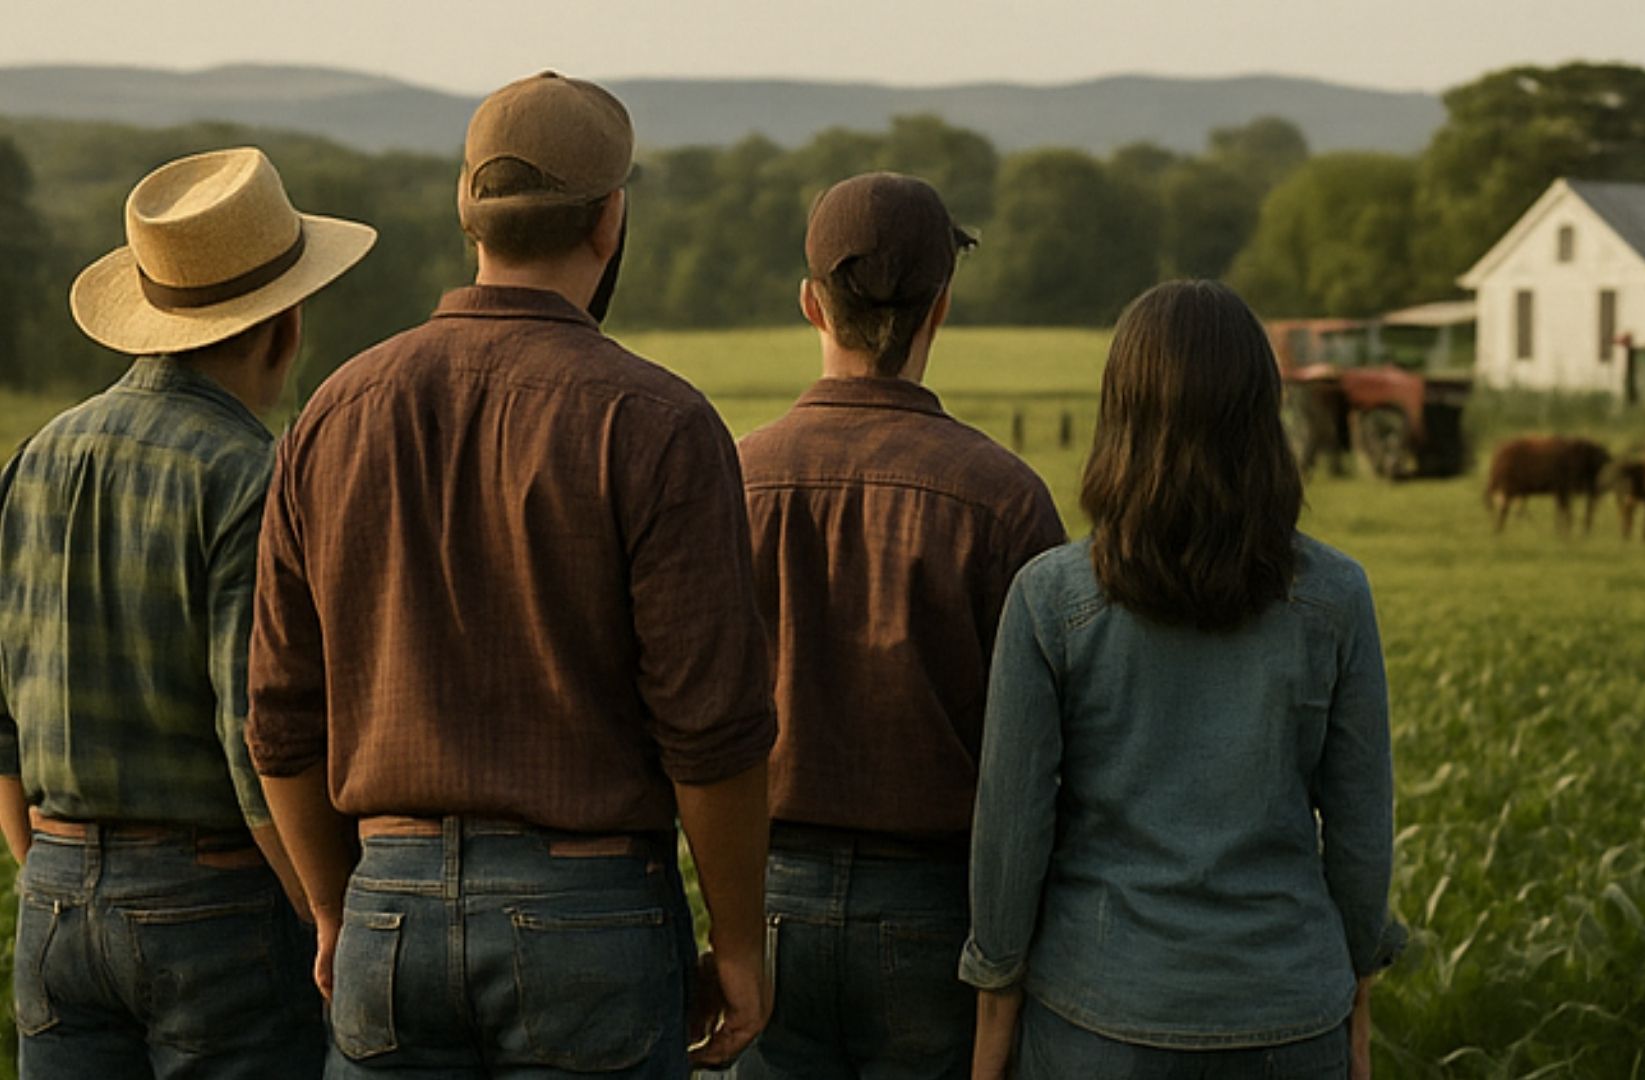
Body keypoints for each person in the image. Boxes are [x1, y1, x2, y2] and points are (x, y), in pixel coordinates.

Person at [243, 72, 777, 1078]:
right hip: (590, 909)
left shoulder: (332, 413)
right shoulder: (658, 423)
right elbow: (711, 729)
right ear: (609, 219)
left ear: (467, 215)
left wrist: (331, 907)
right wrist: (742, 946)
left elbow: (276, 716)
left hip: (385, 908)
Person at [961, 280, 1403, 1079]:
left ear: (1120, 415)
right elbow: (1362, 833)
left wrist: (995, 1007)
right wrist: (1358, 987)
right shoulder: (1337, 597)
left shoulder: (1049, 598)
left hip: (1098, 1014)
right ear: (1262, 418)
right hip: (1289, 1009)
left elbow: (1009, 833)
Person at [0, 146, 375, 1078]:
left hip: (52, 889)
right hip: (213, 899)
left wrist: (45, 863)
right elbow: (258, 737)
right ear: (287, 326)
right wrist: (326, 912)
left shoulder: (39, 455)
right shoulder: (248, 475)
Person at [731, 173, 1066, 1079]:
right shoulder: (1005, 498)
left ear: (811, 303)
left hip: (760, 898)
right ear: (941, 309)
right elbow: (1047, 752)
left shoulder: (734, 479)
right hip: (939, 909)